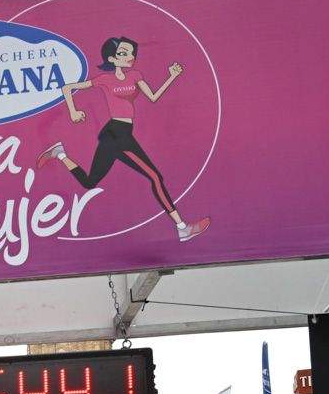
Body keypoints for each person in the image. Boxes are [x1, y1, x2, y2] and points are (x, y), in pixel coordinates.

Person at [36, 35, 208, 242]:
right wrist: (73, 111)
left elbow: (153, 97)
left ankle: (60, 153)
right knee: (155, 177)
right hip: (116, 134)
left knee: (90, 182)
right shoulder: (104, 80)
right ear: (112, 58)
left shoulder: (135, 75)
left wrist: (171, 76)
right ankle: (182, 227)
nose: (130, 57)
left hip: (122, 133)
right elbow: (67, 88)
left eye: (131, 53)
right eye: (123, 53)